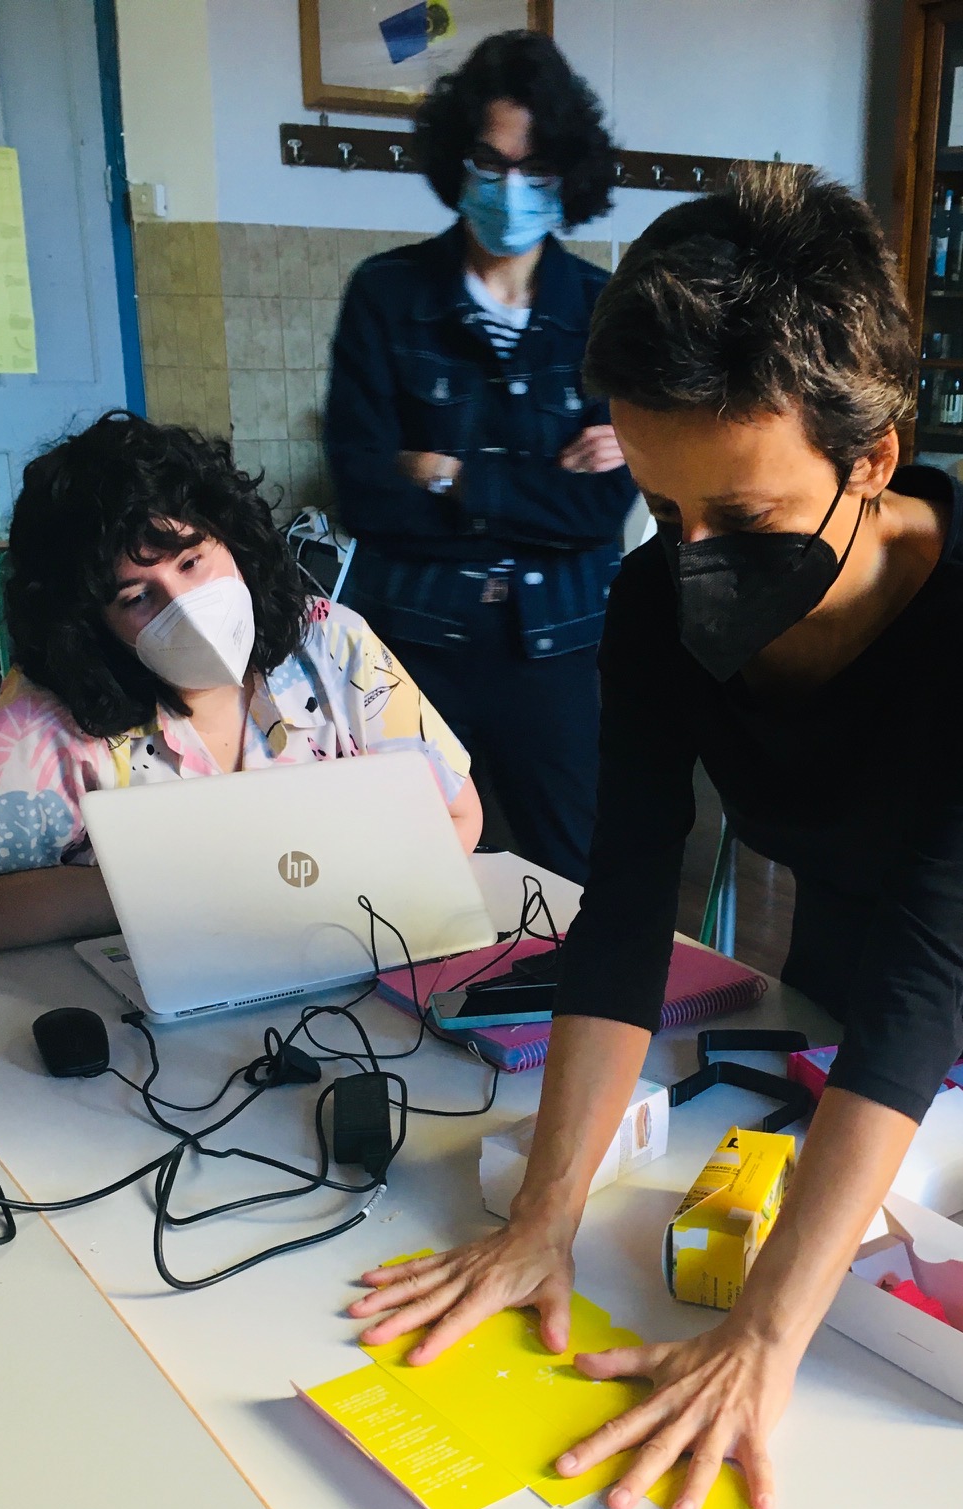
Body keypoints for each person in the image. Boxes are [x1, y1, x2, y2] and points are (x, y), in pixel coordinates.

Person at [348, 167, 963, 1509]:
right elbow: (623, 915)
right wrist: (542, 1216)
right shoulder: (662, 601)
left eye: (749, 520)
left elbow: (929, 985)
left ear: (873, 458)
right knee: (869, 1310)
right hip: (852, 950)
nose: (696, 556)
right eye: (667, 510)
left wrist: (766, 1338)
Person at [0, 413, 480, 953]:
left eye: (192, 563)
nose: (186, 608)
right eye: (139, 597)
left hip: (350, 966)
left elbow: (457, 815)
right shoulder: (50, 723)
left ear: (233, 541)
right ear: (92, 624)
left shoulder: (330, 644)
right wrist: (130, 896)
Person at [323, 29, 636, 884]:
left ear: (567, 175)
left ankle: (547, 1023)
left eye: (535, 170)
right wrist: (540, 490)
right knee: (400, 872)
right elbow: (363, 493)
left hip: (560, 646)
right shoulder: (387, 296)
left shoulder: (604, 310)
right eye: (490, 162)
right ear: (457, 161)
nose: (511, 188)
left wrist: (445, 472)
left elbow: (602, 511)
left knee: (568, 874)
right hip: (416, 643)